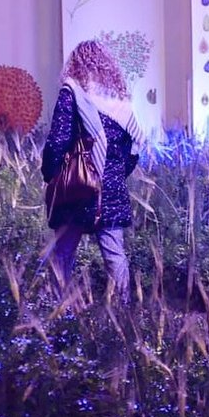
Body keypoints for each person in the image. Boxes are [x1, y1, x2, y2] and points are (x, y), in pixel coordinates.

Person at [41, 40, 143, 297]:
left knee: (63, 253)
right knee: (115, 255)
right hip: (111, 191)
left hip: (77, 187)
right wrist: (114, 176)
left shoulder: (72, 92)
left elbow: (58, 140)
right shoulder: (120, 100)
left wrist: (50, 174)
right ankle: (122, 310)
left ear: (75, 64)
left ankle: (58, 308)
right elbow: (131, 150)